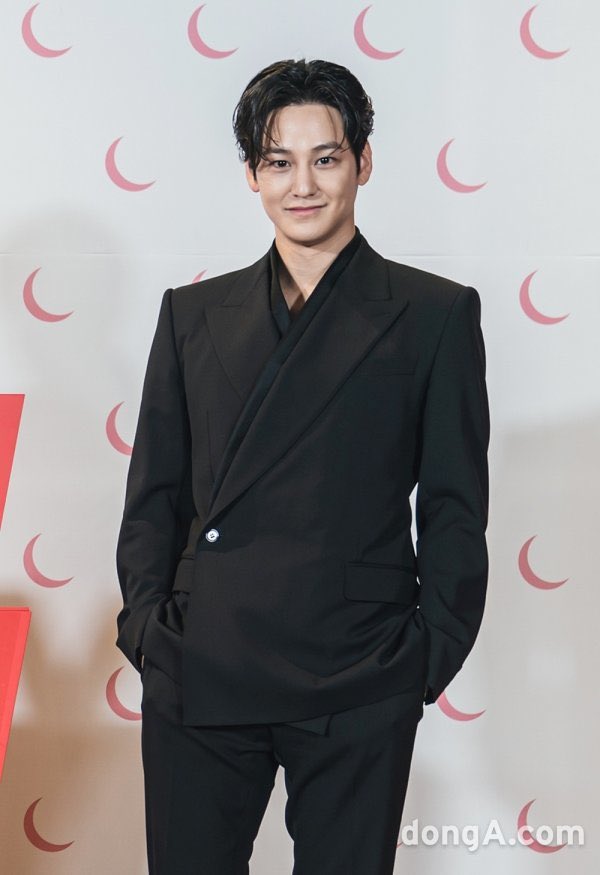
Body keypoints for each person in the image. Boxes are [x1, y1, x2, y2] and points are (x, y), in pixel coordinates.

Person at [115, 57, 490, 875]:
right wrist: (151, 630)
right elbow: (153, 496)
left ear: (363, 161)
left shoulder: (434, 314)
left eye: (325, 157)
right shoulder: (191, 316)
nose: (303, 184)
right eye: (279, 161)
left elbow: (457, 509)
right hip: (204, 664)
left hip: (359, 673)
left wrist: (424, 658)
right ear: (251, 174)